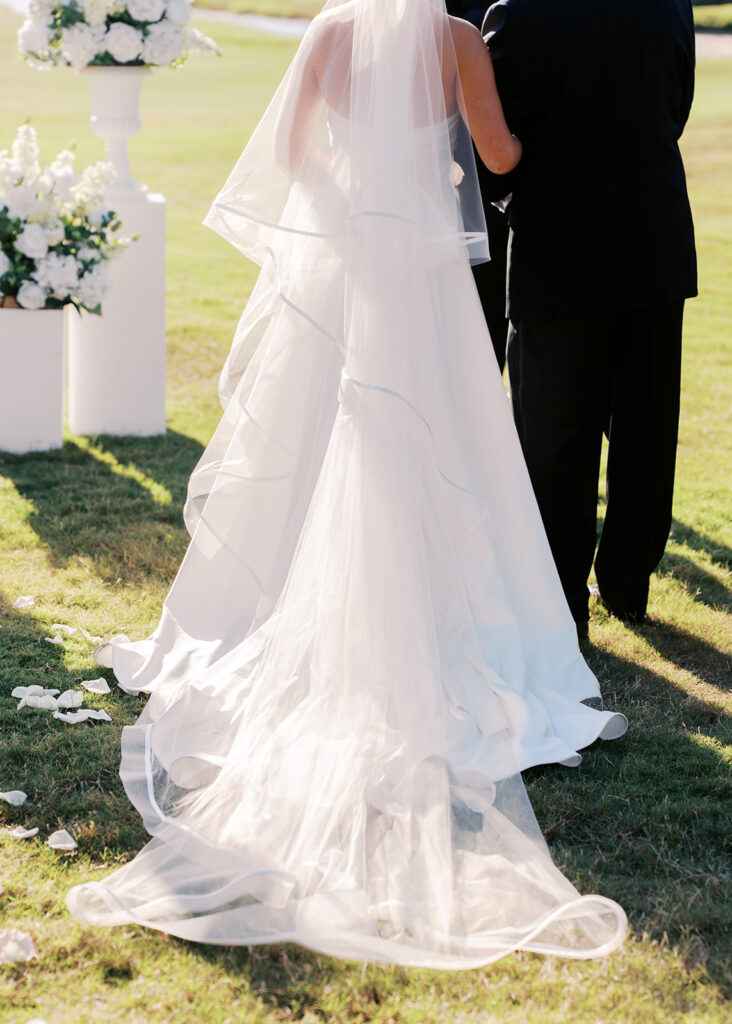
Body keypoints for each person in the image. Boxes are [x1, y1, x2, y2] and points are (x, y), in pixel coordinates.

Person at [67, 0, 628, 967]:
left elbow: (292, 155)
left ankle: (287, 606)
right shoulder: (455, 41)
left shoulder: (327, 33)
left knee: (309, 442)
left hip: (343, 269)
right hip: (420, 273)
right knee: (445, 441)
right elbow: (497, 159)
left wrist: (356, 200)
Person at [480, 0, 697, 628]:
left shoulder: (518, 15)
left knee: (555, 438)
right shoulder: (668, 4)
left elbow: (499, 154)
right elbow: (674, 108)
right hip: (654, 236)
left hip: (559, 249)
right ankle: (629, 586)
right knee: (646, 428)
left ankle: (560, 603)